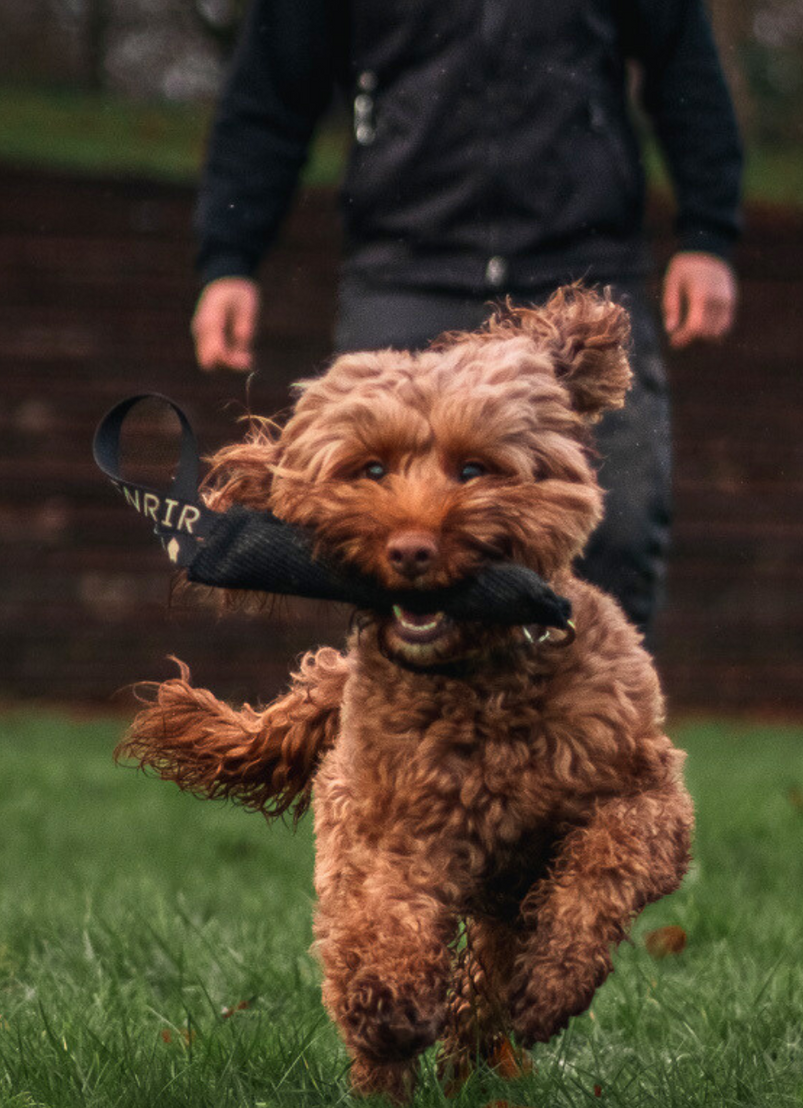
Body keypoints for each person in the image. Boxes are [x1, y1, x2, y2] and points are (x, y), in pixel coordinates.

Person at [190, 1, 743, 641]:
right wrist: (229, 258)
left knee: (615, 537)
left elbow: (687, 72)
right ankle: (391, 733)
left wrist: (708, 235)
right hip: (406, 271)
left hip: (580, 269)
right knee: (370, 541)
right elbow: (269, 96)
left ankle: (595, 728)